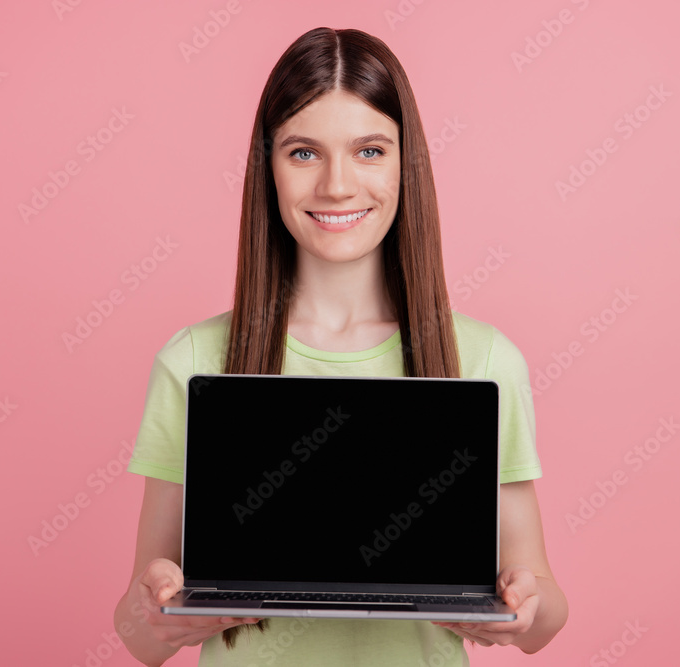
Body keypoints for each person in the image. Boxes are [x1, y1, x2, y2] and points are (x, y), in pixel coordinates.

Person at [113, 26, 568, 666]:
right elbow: (136, 634)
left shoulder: (485, 361)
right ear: (267, 165)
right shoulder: (191, 361)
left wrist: (525, 608)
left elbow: (546, 615)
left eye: (370, 151)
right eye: (304, 153)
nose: (336, 186)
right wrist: (156, 614)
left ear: (406, 163)